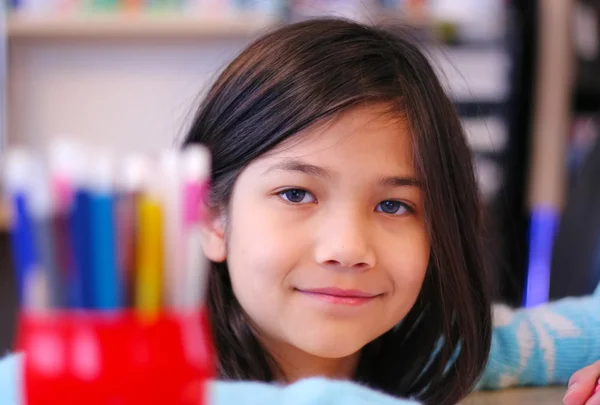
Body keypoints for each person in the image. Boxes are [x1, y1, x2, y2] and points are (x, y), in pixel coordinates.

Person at [0, 18, 598, 405]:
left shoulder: (443, 347)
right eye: (296, 195)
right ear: (210, 216)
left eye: (395, 205)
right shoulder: (138, 379)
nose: (347, 247)